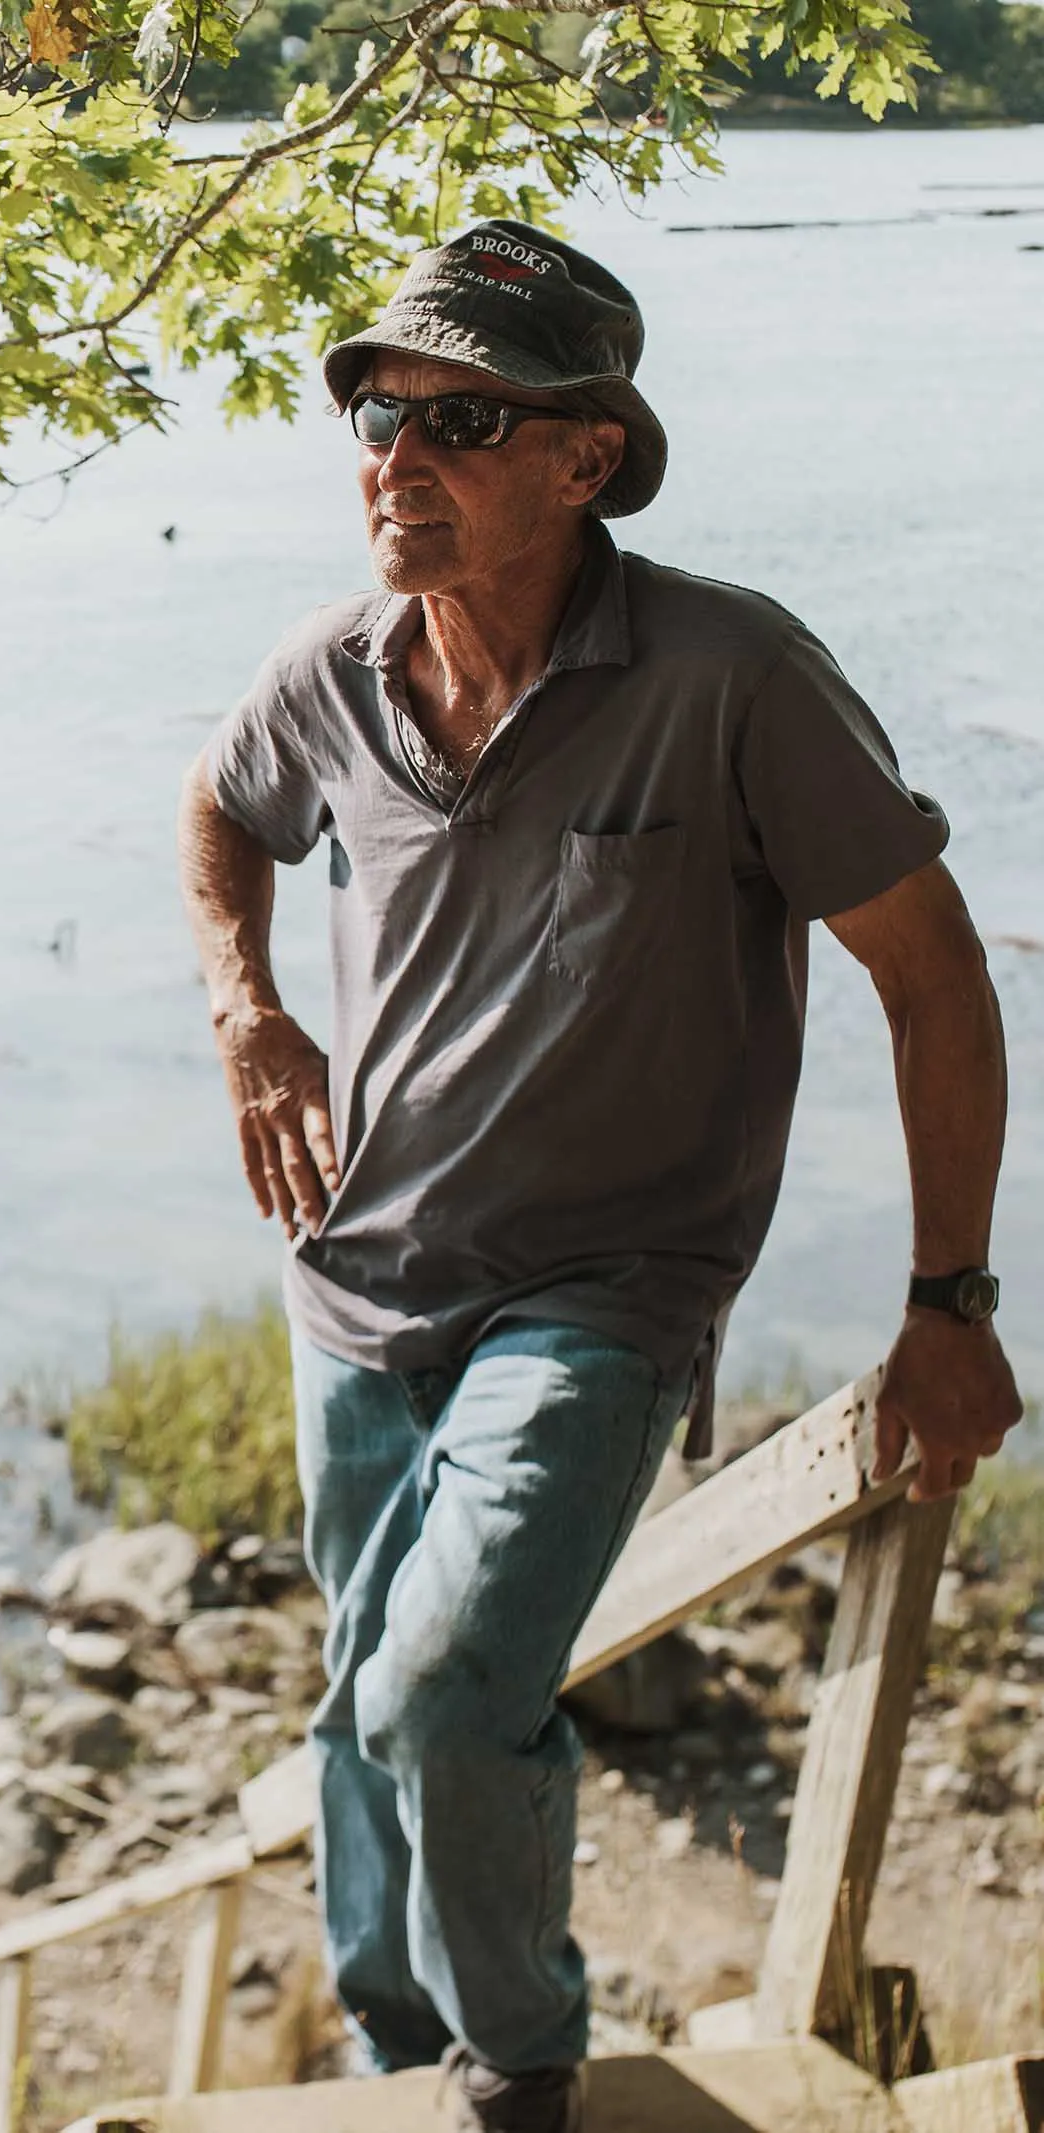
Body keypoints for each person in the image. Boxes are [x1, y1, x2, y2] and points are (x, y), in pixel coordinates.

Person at [178, 221, 1021, 2132]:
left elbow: (934, 970)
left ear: (586, 456)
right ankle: (396, 2046)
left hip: (606, 1296)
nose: (398, 453)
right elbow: (223, 810)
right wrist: (247, 1015)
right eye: (375, 413)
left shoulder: (734, 675)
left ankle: (519, 2064)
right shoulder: (333, 671)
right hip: (355, 1280)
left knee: (445, 1688)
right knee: (354, 1700)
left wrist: (949, 1303)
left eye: (458, 417)